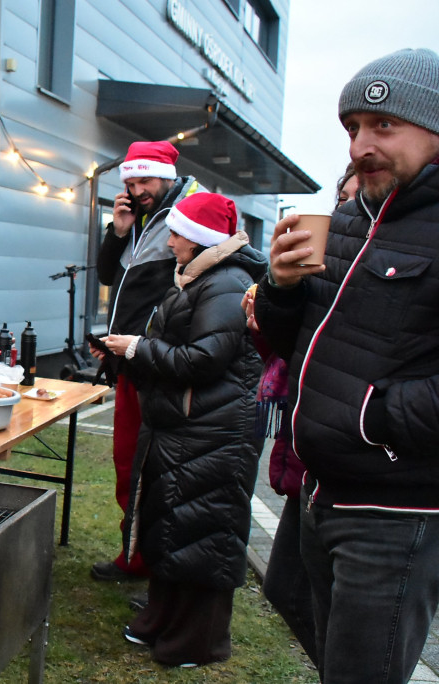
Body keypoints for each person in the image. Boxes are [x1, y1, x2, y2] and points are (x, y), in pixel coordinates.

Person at [253, 48, 439, 683]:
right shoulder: (349, 220)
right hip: (319, 492)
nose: (361, 145)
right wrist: (278, 287)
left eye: (383, 125)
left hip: (396, 511)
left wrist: (372, 416)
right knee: (327, 653)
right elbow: (290, 342)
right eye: (353, 127)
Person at [98, 192, 266, 667]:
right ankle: (163, 620)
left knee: (203, 535)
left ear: (199, 239)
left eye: (175, 233)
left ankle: (198, 640)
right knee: (173, 526)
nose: (169, 242)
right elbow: (177, 344)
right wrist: (125, 350)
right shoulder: (201, 279)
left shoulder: (227, 284)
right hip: (185, 426)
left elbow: (203, 360)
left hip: (212, 433)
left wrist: (136, 349)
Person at [245, 167, 360, 668]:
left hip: (366, 473)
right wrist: (275, 294)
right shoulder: (326, 265)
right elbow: (290, 348)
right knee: (288, 592)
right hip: (305, 461)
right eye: (344, 200)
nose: (351, 210)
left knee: (357, 638)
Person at [91, 140, 206, 582]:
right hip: (129, 360)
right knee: (128, 463)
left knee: (153, 468)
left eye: (145, 181)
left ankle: (154, 558)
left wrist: (145, 345)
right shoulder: (136, 218)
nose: (137, 190)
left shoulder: (191, 211)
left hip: (160, 364)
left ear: (166, 177)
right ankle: (136, 552)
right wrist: (117, 231)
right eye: (131, 182)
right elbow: (108, 277)